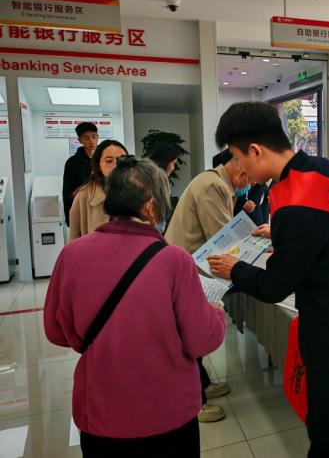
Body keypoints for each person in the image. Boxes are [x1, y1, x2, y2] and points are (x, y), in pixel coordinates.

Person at [206, 101, 329, 458]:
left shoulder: (291, 203)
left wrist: (235, 269)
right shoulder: (323, 168)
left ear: (256, 151)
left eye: (239, 158)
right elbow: (325, 232)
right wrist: (279, 232)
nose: (241, 169)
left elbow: (274, 286)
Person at [45, 156, 226, 457]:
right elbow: (201, 341)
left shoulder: (71, 255)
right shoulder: (175, 260)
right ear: (153, 207)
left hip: (100, 413)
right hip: (169, 415)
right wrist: (216, 312)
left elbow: (55, 331)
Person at [165, 153, 249, 423]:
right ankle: (193, 402)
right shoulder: (214, 185)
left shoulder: (217, 183)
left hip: (192, 268)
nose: (249, 186)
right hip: (188, 271)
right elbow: (223, 239)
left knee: (192, 333)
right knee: (189, 335)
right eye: (251, 179)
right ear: (242, 173)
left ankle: (202, 384)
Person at [68, 140, 127, 243]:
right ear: (98, 165)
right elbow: (73, 241)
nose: (115, 166)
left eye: (121, 160)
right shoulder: (84, 195)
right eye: (109, 161)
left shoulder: (139, 192)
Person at [62, 122, 98, 227]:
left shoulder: (105, 158)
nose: (91, 141)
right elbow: (67, 192)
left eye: (94, 137)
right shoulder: (72, 163)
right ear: (80, 140)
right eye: (87, 138)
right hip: (83, 209)